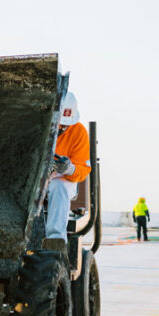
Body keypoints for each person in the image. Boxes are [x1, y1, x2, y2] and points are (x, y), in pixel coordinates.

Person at [44, 92, 91, 253]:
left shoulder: (79, 133)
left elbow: (83, 169)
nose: (62, 128)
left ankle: (55, 241)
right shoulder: (39, 127)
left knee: (59, 186)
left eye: (65, 125)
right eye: (59, 124)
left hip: (61, 179)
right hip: (36, 180)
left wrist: (69, 168)